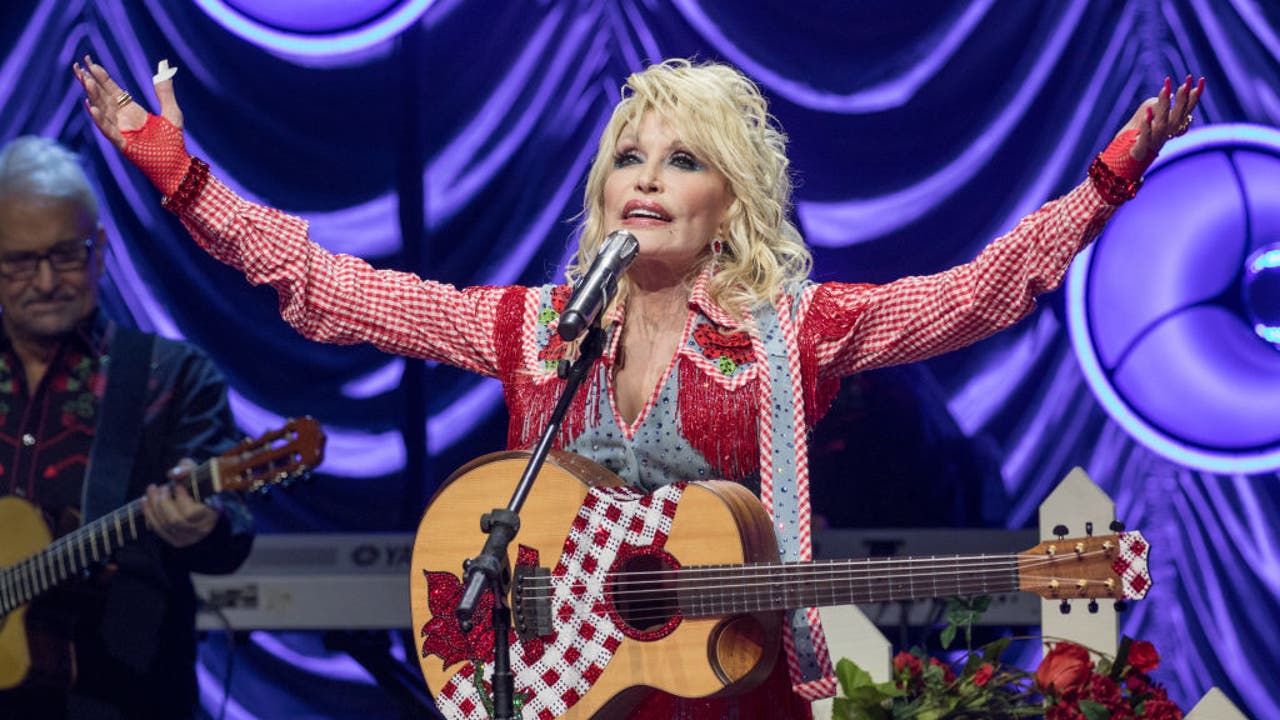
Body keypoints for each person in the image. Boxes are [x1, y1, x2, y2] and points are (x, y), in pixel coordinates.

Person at [74, 55, 1199, 719]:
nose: (646, 179)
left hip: (739, 692)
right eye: (629, 156)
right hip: (554, 689)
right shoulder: (537, 332)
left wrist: (1104, 185)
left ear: (731, 204)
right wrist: (179, 173)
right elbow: (331, 289)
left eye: (682, 159)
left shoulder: (794, 333)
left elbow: (979, 295)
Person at [0, 136, 254, 720]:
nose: (46, 281)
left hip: (123, 697)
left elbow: (231, 535)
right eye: (20, 262)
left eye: (66, 255)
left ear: (100, 251)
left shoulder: (171, 376)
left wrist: (204, 522)